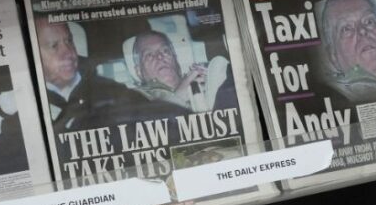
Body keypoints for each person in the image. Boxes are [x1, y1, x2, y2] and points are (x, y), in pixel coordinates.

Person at [33, 17, 168, 136]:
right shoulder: (25, 110)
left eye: (69, 41)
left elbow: (156, 121)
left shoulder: (112, 91)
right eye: (54, 46)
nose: (68, 53)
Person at [129, 30, 234, 112]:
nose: (160, 56)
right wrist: (179, 97)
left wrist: (210, 79)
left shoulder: (199, 76)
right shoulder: (136, 99)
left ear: (176, 60)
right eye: (149, 55)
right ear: (139, 72)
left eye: (165, 50)